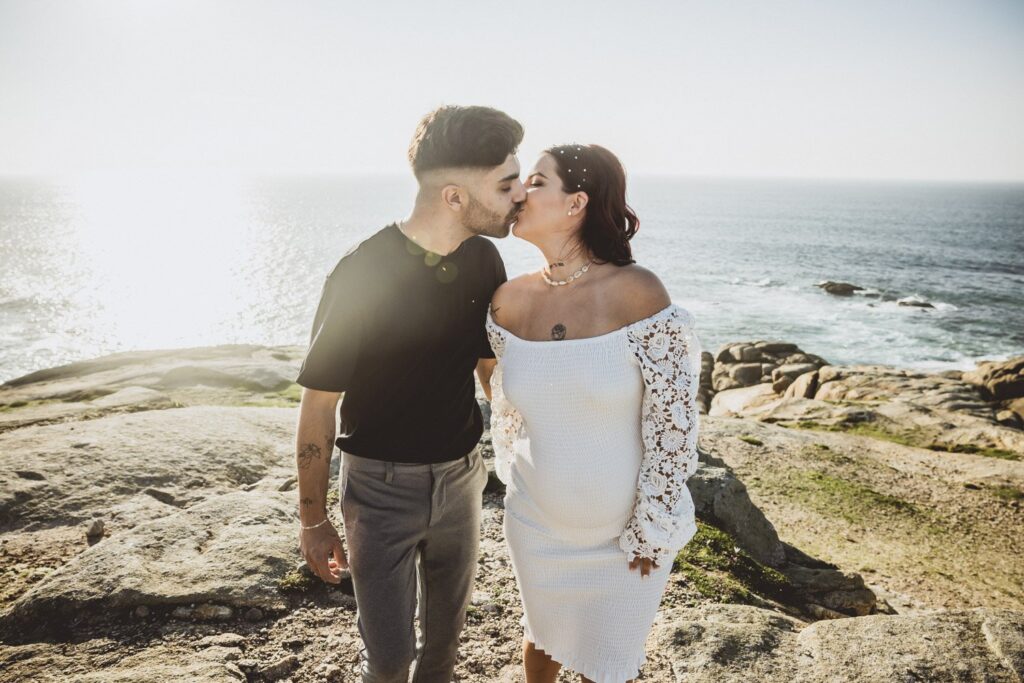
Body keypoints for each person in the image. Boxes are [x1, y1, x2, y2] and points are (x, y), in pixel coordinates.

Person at [294, 104, 526, 683]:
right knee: (391, 659)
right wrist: (312, 519)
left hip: (462, 480)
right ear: (454, 196)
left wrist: (525, 447)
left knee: (444, 653)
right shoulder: (360, 273)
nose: (520, 194)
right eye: (506, 184)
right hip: (378, 491)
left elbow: (487, 366)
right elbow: (319, 404)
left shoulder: (483, 257)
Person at [486, 143, 702, 683]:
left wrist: (652, 527)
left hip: (624, 538)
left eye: (535, 182)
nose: (519, 193)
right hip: (535, 521)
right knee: (541, 644)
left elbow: (673, 424)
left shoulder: (640, 293)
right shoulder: (507, 302)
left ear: (576, 201)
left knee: (608, 669)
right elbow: (507, 408)